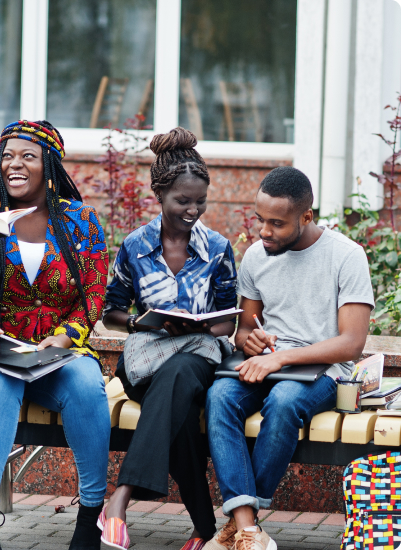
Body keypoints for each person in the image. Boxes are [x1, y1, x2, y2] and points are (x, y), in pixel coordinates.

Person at [0, 120, 111, 550]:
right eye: (7, 156)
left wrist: (67, 336)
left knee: (86, 382)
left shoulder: (81, 221)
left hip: (54, 355)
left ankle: (90, 516)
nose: (13, 165)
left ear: (49, 164)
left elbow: (95, 293)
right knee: (0, 383)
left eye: (27, 156)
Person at [204, 167, 374, 550]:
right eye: (260, 219)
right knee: (219, 396)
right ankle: (247, 528)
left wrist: (281, 360)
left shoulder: (346, 256)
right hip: (268, 362)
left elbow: (351, 344)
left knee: (283, 402)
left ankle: (240, 524)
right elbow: (243, 332)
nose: (264, 231)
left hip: (325, 370)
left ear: (306, 216)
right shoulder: (256, 256)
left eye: (277, 223)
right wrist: (252, 342)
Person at [101, 127, 238, 550]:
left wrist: (200, 326)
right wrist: (143, 322)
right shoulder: (134, 246)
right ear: (159, 195)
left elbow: (227, 321)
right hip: (145, 357)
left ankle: (120, 499)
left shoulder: (218, 248)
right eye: (183, 201)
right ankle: (204, 529)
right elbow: (110, 312)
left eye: (201, 201)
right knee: (177, 412)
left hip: (198, 354)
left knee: (179, 375)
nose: (193, 210)